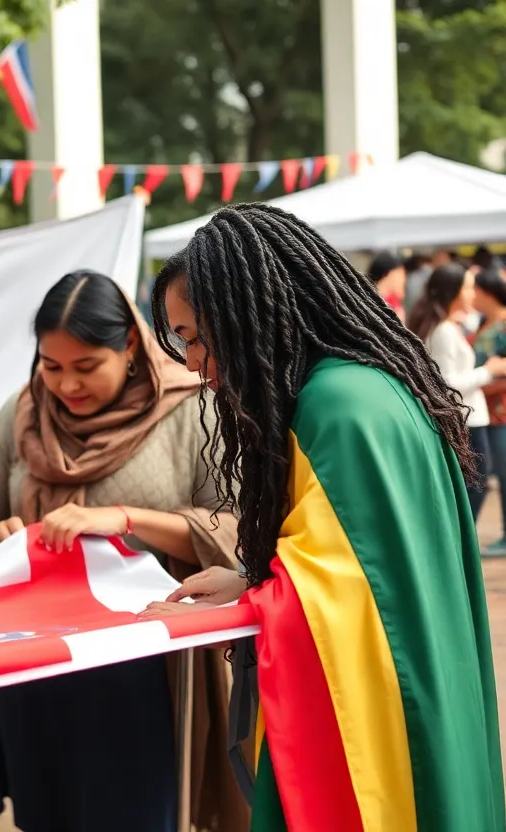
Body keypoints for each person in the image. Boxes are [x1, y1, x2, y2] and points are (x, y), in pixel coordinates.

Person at [147, 203, 503, 831]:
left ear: (247, 311)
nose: (191, 361)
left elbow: (343, 601)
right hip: (427, 690)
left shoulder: (334, 408)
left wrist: (252, 602)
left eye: (194, 336)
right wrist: (253, 579)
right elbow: (354, 569)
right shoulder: (367, 385)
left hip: (392, 728)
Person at [0, 270, 247, 832]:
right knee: (46, 813)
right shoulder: (21, 414)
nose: (67, 385)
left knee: (134, 814)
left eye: (87, 367)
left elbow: (232, 531)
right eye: (52, 366)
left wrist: (123, 519)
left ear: (131, 345)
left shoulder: (192, 411)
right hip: (34, 662)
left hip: (142, 669)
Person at [407, 262, 506, 519]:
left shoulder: (445, 327)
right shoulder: (444, 331)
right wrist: (490, 370)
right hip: (467, 419)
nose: (473, 293)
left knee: (472, 488)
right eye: (468, 288)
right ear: (454, 291)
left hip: (469, 418)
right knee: (472, 490)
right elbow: (447, 383)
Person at [472, 267, 506, 555]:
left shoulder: (503, 325)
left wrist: (483, 384)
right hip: (487, 412)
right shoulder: (484, 323)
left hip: (501, 412)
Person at [367, 250, 406, 322]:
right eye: (400, 274)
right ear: (388, 275)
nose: (404, 279)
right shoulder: (373, 305)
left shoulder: (395, 305)